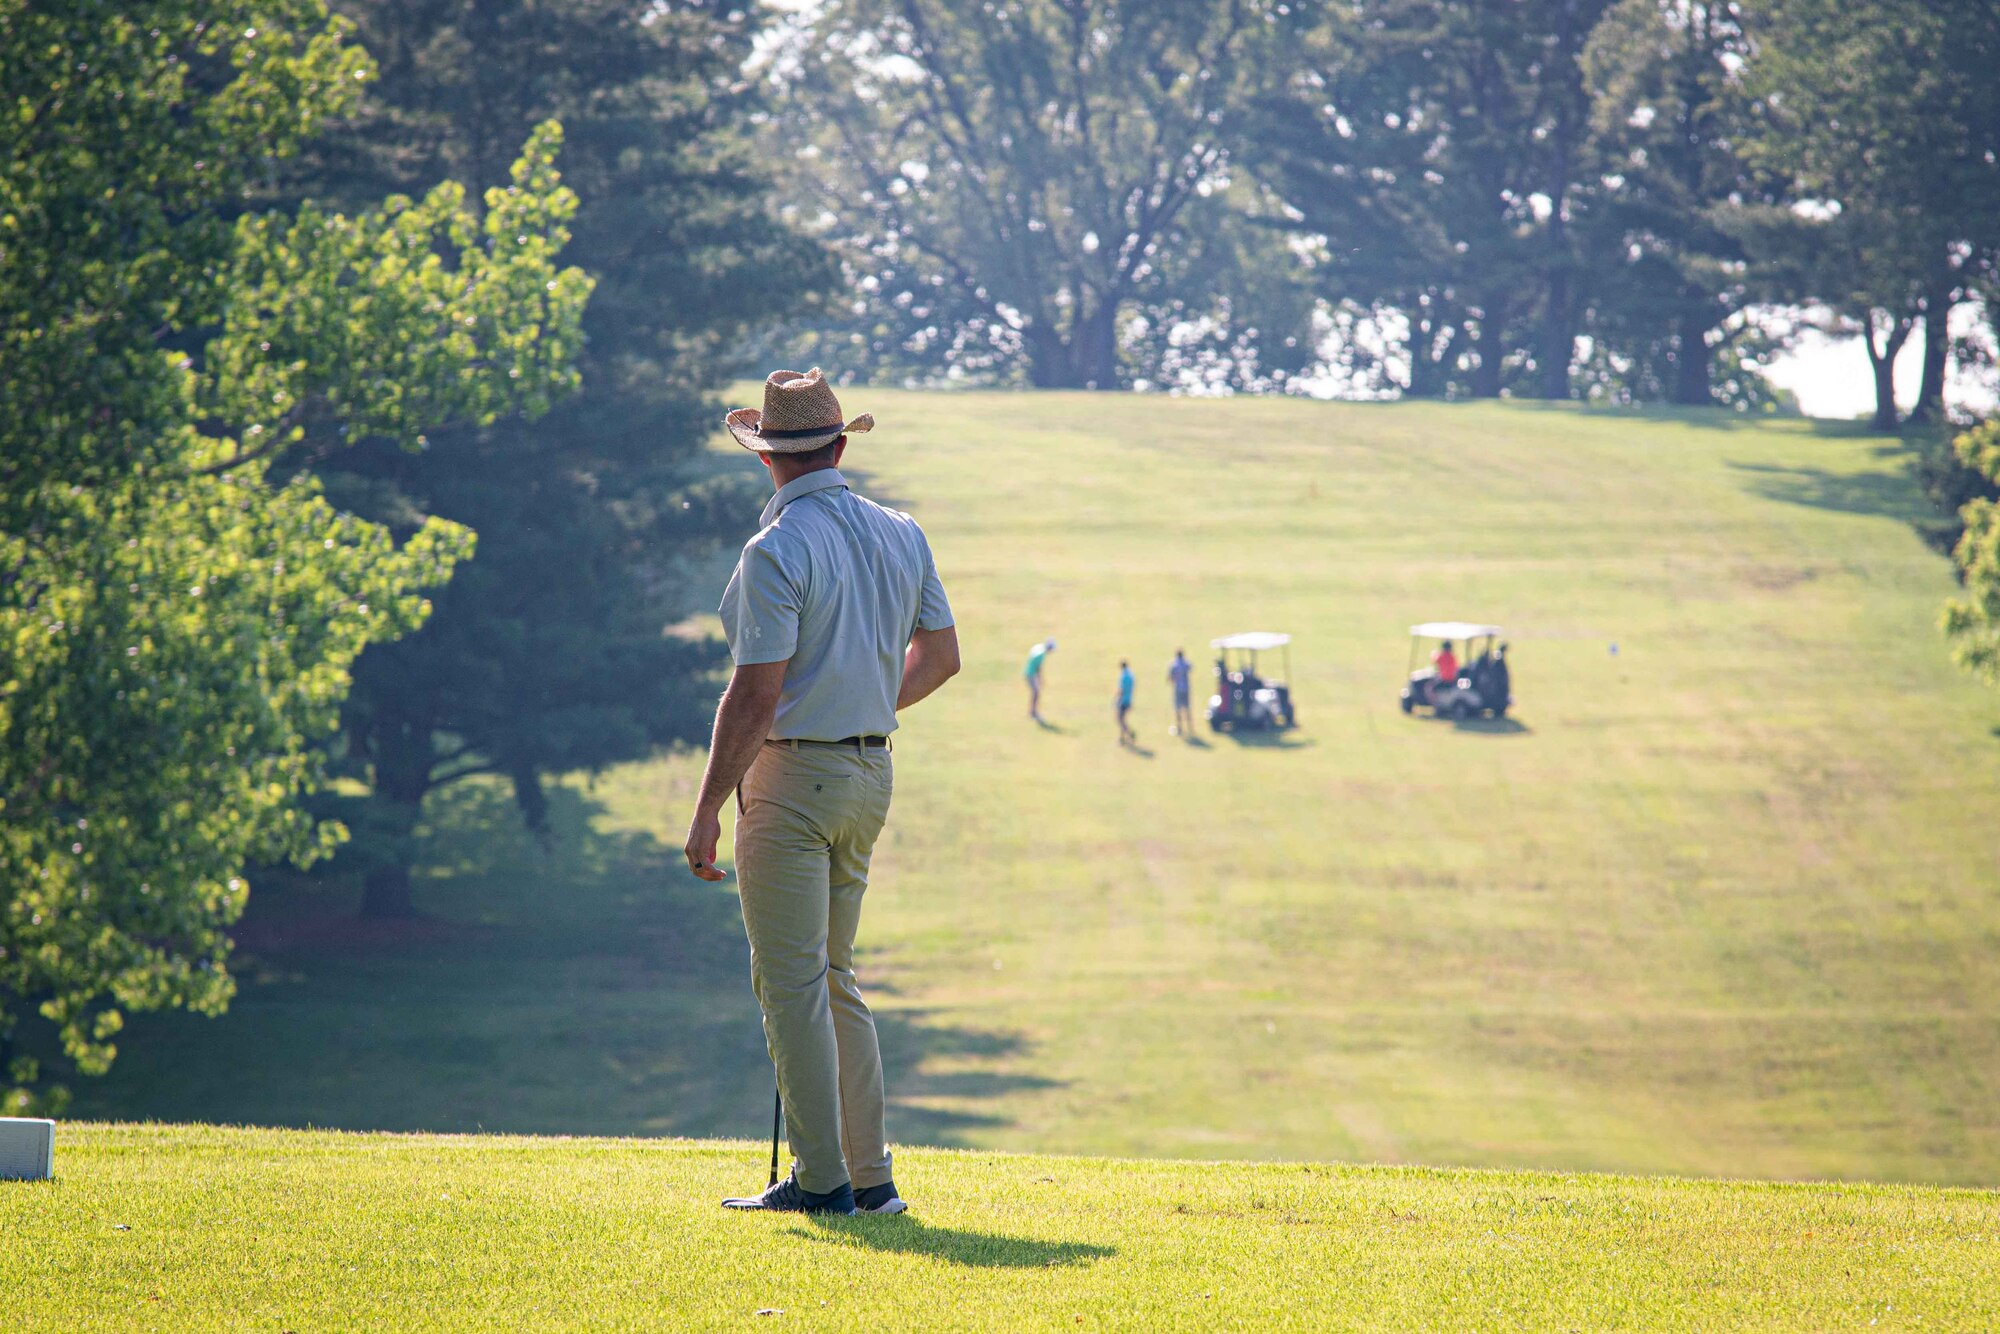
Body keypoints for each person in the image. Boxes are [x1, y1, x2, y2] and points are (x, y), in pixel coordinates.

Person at [684, 368, 960, 1217]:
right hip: (871, 773)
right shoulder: (901, 532)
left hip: (794, 778)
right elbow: (942, 658)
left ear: (767, 458)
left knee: (792, 984)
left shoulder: (774, 550)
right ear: (840, 445)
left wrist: (706, 808)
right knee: (835, 976)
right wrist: (865, 702)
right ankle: (869, 1178)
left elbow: (755, 694)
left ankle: (820, 1181)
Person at [1024, 637, 1055, 721]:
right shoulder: (1041, 655)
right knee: (1036, 693)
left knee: (1035, 693)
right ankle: (1033, 713)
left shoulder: (1039, 648)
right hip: (1030, 674)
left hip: (1029, 673)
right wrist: (1040, 679)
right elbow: (1038, 668)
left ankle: (1033, 712)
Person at [1166, 648, 1194, 736]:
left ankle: (1179, 728)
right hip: (1186, 688)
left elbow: (1170, 678)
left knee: (1178, 708)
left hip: (1178, 689)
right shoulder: (1185, 663)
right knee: (1187, 708)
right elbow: (1191, 667)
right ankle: (1190, 727)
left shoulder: (1174, 665)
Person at [1430, 639, 1458, 707]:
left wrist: (1434, 653)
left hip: (1444, 680)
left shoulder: (1442, 656)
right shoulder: (1453, 657)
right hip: (1453, 680)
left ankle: (1436, 705)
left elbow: (1434, 660)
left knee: (1429, 689)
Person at [1115, 659, 1136, 744]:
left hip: (1123, 701)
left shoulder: (1123, 676)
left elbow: (1121, 689)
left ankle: (1129, 733)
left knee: (1119, 719)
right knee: (1123, 719)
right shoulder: (1131, 675)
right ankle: (1122, 738)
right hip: (1129, 699)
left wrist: (1117, 698)